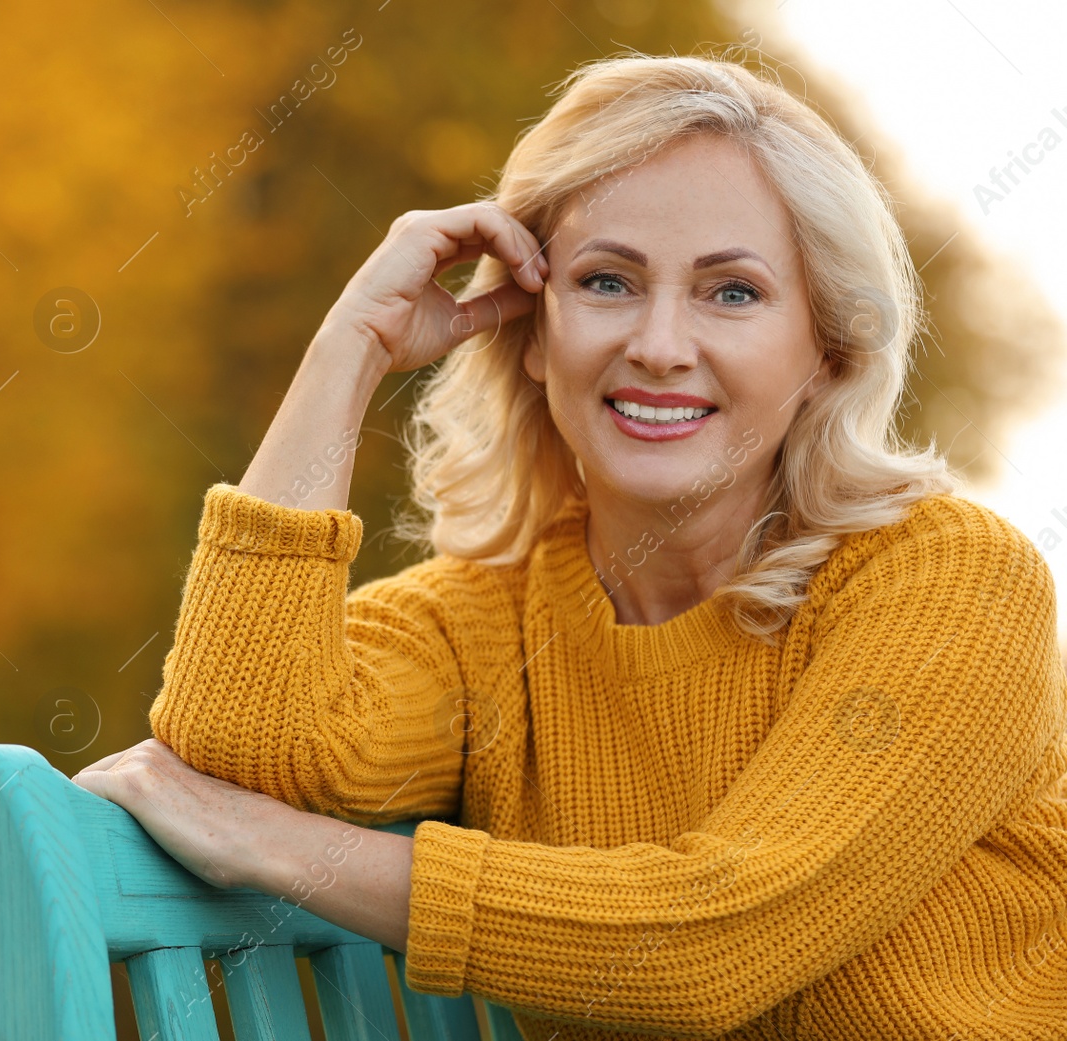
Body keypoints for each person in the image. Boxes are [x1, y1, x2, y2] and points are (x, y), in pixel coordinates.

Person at [72, 53, 1067, 1038]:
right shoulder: (487, 621)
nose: (660, 345)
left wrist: (292, 856)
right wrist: (350, 349)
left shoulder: (949, 583)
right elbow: (238, 745)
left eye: (732, 294)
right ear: (533, 333)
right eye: (606, 281)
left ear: (827, 349)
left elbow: (706, 950)